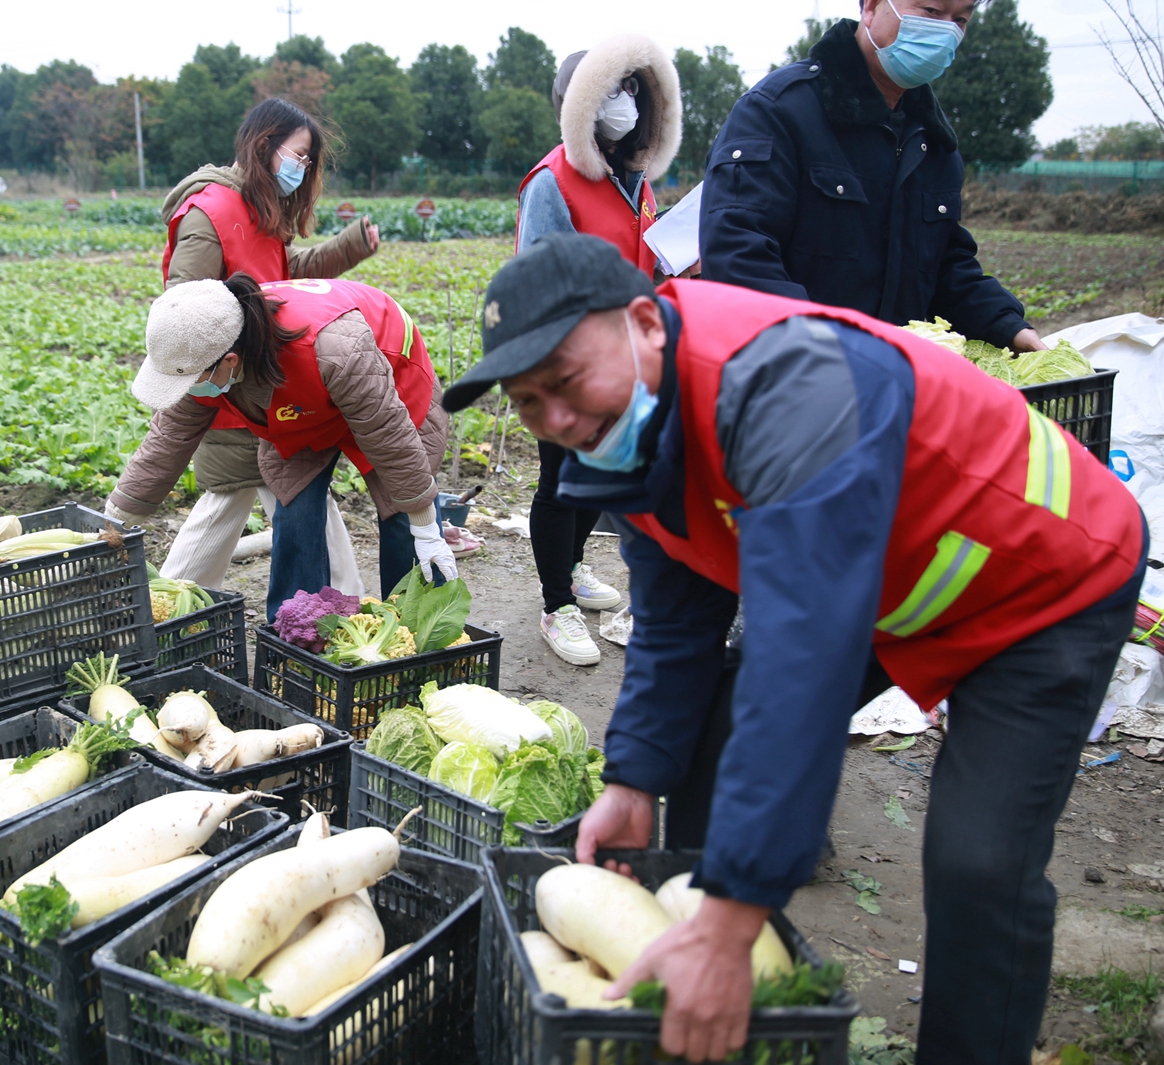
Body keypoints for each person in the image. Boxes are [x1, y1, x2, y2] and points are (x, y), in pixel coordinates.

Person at [443, 233, 1143, 1061]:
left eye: (564, 381)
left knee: (978, 861)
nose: (557, 421)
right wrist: (634, 779)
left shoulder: (783, 390)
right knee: (708, 733)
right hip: (892, 586)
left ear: (646, 323)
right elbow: (672, 622)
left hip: (1041, 578)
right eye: (527, 404)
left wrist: (735, 912)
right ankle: (704, 982)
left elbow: (801, 665)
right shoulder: (621, 431)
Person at [700, 0, 1047, 354]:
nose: (946, 31)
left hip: (897, 385)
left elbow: (945, 265)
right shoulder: (778, 111)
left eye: (960, 19)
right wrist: (824, 350)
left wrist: (1008, 326)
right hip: (791, 380)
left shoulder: (933, 140)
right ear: (873, 7)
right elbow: (739, 254)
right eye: (930, 11)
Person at [108, 274, 456, 620]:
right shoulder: (201, 357)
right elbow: (166, 443)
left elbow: (389, 437)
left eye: (189, 380)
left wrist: (425, 527)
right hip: (304, 400)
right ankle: (297, 630)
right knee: (295, 506)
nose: (184, 388)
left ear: (230, 361)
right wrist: (113, 524)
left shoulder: (336, 349)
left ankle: (418, 632)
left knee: (401, 513)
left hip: (387, 381)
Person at [155, 97, 381, 594]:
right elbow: (185, 313)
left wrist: (348, 246)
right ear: (265, 145)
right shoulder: (210, 212)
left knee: (245, 502)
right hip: (234, 390)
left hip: (265, 387)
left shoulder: (256, 208)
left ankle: (165, 609)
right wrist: (213, 383)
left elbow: (284, 276)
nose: (303, 168)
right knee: (281, 498)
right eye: (299, 155)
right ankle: (348, 605)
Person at [514, 34, 681, 666]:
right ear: (576, 105)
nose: (624, 103)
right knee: (561, 480)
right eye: (609, 92)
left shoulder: (635, 181)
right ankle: (556, 605)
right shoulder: (552, 182)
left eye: (631, 90)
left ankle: (576, 567)